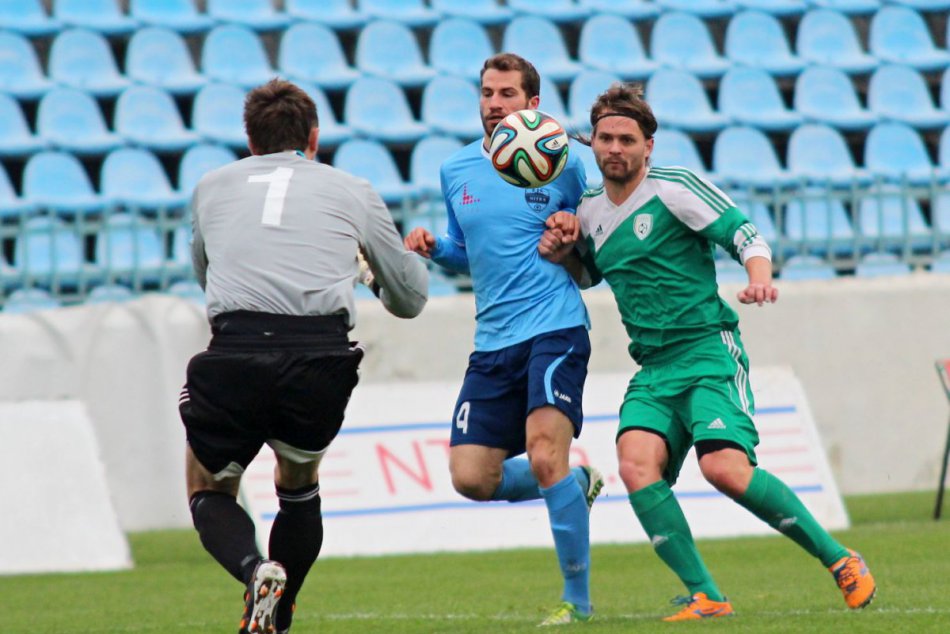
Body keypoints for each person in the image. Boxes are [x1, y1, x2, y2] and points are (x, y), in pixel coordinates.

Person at [539, 83, 876, 621]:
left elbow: (744, 234)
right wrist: (563, 256)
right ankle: (707, 596)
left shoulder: (675, 187)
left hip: (707, 352)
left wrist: (759, 278)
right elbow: (590, 275)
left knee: (724, 468)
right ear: (594, 143)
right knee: (635, 465)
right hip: (653, 367)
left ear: (649, 145)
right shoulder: (590, 211)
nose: (615, 148)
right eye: (605, 138)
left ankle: (840, 560)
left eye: (627, 138)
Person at [179, 78, 428, 634]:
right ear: (314, 137)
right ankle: (280, 614)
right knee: (298, 482)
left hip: (237, 349)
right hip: (320, 356)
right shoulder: (352, 188)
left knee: (206, 485)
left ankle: (253, 570)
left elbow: (205, 274)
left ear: (249, 140)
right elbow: (409, 300)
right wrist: (376, 272)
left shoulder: (211, 186)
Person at [403, 53, 604, 626]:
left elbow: (591, 253)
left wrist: (572, 239)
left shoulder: (565, 166)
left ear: (532, 105)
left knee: (544, 453)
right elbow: (467, 251)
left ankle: (578, 605)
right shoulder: (456, 170)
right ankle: (574, 481)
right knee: (472, 478)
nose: (495, 103)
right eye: (488, 92)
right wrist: (434, 248)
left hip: (555, 326)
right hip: (492, 341)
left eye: (508, 94)